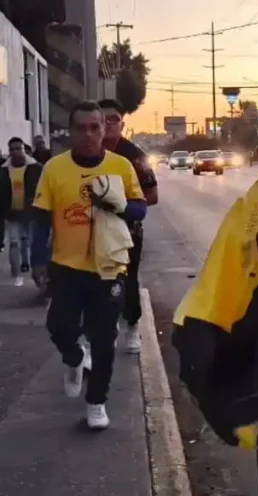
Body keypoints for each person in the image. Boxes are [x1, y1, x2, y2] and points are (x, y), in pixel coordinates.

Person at [30, 100, 147, 430]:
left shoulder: (121, 166)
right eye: (81, 127)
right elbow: (40, 220)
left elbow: (140, 209)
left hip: (109, 266)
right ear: (71, 131)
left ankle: (97, 402)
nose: (89, 133)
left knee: (105, 336)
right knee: (59, 327)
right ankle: (75, 358)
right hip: (66, 266)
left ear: (104, 129)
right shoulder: (54, 168)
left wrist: (116, 204)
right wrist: (38, 260)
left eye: (95, 127)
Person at [99, 99, 159, 353]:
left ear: (122, 124)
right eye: (102, 119)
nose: (107, 124)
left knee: (128, 280)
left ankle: (132, 328)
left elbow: (153, 196)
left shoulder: (135, 156)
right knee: (96, 282)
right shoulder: (87, 154)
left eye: (113, 119)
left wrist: (121, 206)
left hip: (127, 232)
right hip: (90, 231)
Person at [0, 137, 44, 286]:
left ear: (24, 150)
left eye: (19, 148)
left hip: (32, 213)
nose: (16, 152)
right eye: (12, 149)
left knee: (31, 242)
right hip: (12, 213)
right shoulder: (4, 171)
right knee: (14, 243)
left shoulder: (36, 168)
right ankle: (16, 273)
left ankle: (34, 270)